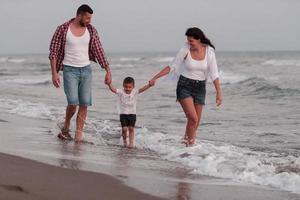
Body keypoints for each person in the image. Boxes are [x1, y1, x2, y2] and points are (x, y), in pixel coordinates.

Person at [149, 27, 222, 146]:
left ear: (199, 39)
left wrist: (219, 92)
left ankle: (185, 144)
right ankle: (190, 149)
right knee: (193, 119)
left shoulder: (209, 51)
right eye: (188, 40)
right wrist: (155, 77)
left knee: (195, 123)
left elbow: (214, 73)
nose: (189, 43)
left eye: (191, 41)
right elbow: (172, 66)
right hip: (184, 86)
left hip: (200, 87)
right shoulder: (185, 49)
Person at [49, 4, 111, 142]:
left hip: (86, 70)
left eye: (90, 18)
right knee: (72, 102)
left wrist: (108, 70)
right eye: (87, 18)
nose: (89, 20)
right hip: (69, 70)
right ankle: (66, 126)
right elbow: (53, 53)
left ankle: (78, 135)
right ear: (79, 15)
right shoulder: (63, 29)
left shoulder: (91, 30)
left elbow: (98, 50)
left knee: (84, 104)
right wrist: (54, 73)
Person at [107, 77, 153, 148]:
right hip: (123, 114)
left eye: (129, 87)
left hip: (132, 113)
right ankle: (125, 142)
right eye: (126, 87)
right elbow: (113, 90)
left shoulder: (135, 91)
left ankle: (131, 143)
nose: (128, 89)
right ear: (123, 86)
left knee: (131, 129)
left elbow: (142, 89)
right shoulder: (121, 92)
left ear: (133, 87)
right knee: (124, 129)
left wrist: (149, 85)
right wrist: (109, 84)